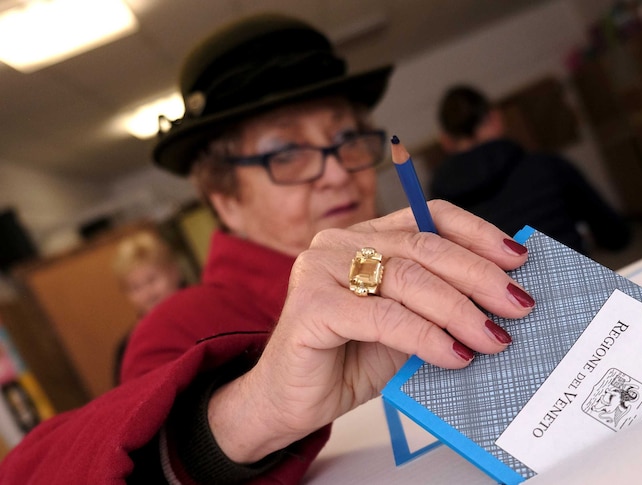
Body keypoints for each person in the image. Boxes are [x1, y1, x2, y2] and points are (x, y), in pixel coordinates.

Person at [0, 14, 535, 484]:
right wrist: (251, 411)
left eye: (348, 139)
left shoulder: (408, 264)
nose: (334, 172)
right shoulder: (178, 326)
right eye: (287, 153)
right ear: (223, 198)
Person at [430, 84, 631, 254]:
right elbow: (614, 234)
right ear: (496, 119)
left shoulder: (438, 200)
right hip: (576, 288)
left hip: (498, 298)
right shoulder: (547, 165)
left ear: (446, 141)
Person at [112, 231, 186, 384]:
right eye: (135, 288)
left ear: (174, 272)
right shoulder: (127, 347)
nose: (148, 294)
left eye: (152, 280)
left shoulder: (205, 308)